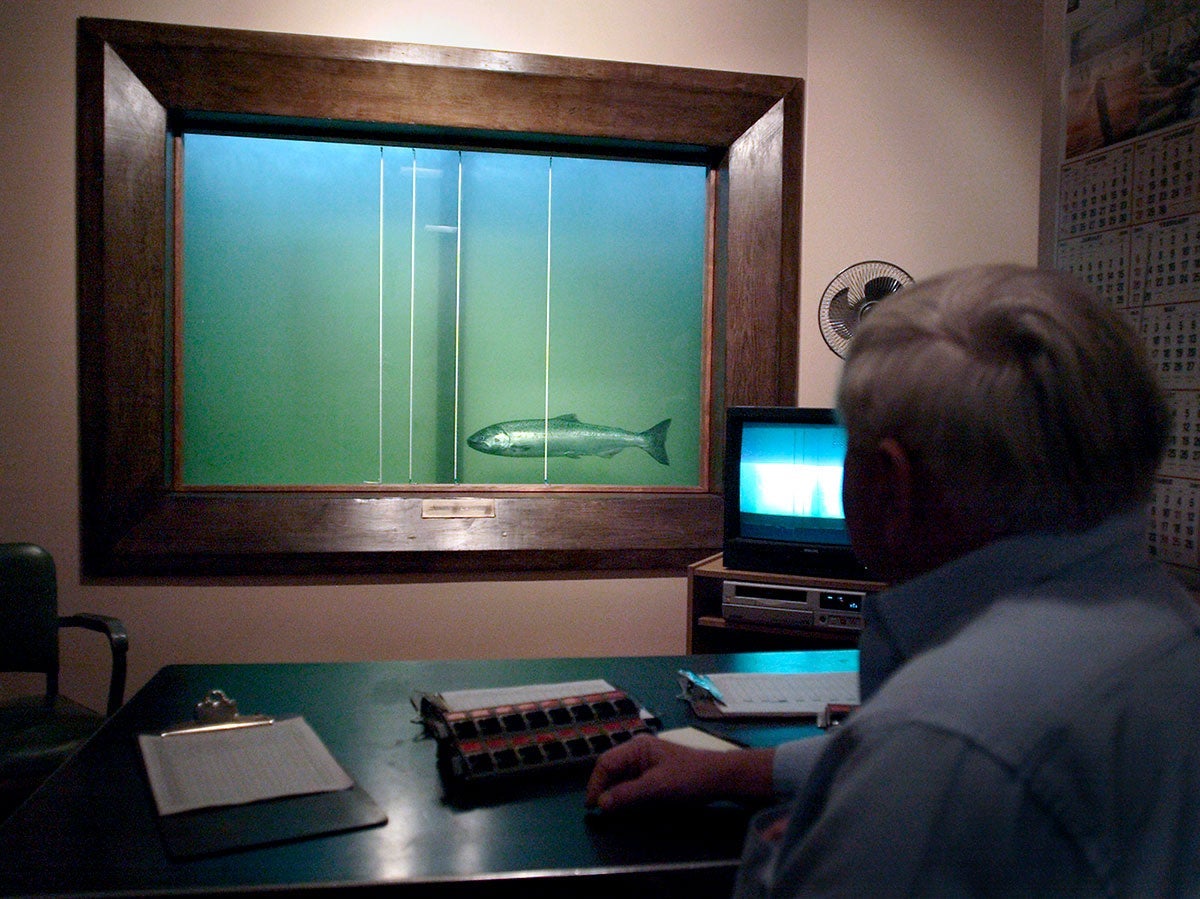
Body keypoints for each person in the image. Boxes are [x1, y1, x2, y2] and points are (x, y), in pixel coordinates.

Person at [586, 264, 1200, 896]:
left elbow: (934, 755)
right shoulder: (1166, 625)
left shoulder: (934, 746)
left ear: (889, 483)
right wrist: (744, 771)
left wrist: (794, 857)